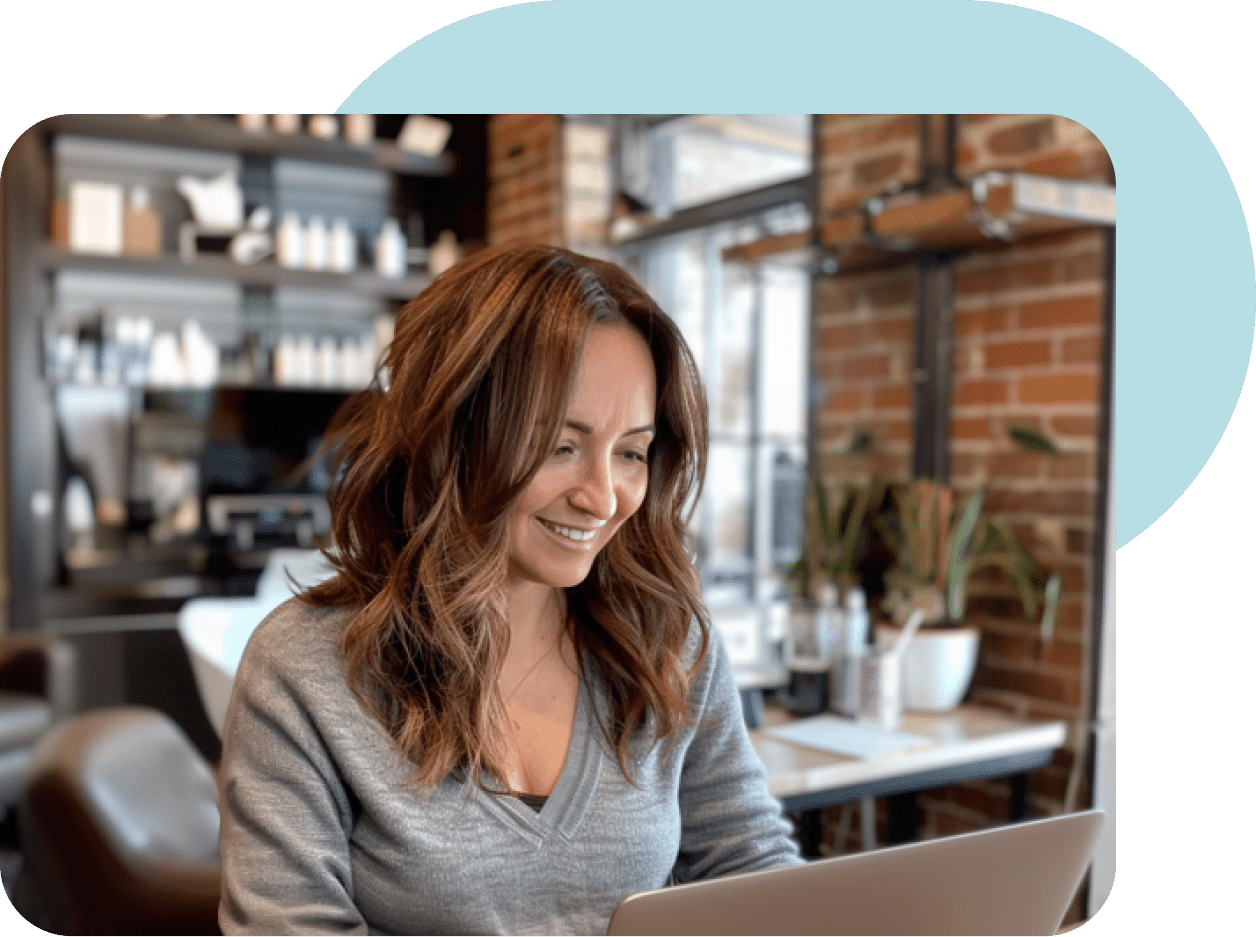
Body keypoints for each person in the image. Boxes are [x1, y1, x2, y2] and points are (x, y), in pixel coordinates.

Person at [218, 244, 802, 936]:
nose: (603, 496)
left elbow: (755, 873)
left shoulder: (671, 642)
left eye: (632, 452)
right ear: (450, 435)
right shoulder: (303, 669)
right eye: (560, 444)